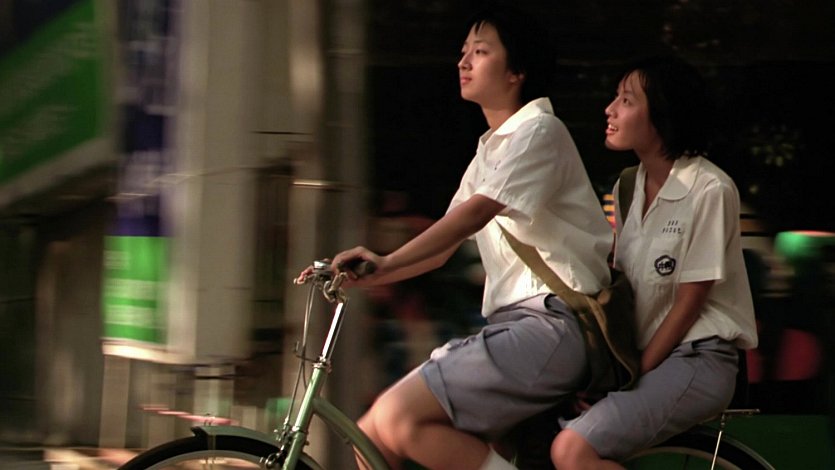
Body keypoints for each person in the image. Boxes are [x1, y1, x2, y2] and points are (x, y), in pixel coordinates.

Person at [298, 5, 612, 470]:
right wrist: (374, 272)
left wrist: (387, 261)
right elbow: (441, 247)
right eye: (464, 51)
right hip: (517, 329)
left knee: (398, 417)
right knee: (373, 434)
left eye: (480, 52)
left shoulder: (538, 132)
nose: (463, 61)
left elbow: (474, 215)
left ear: (517, 71)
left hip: (551, 326)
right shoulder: (492, 149)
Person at [550, 56, 759, 469]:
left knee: (572, 450)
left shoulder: (710, 189)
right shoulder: (628, 186)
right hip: (650, 358)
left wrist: (634, 376)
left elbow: (689, 302)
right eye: (615, 97)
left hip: (698, 358)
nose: (610, 110)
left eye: (626, 101)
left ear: (663, 115)